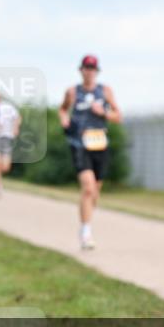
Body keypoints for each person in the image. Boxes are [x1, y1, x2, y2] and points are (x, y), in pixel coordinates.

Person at [58, 55, 122, 250]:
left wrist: (103, 112)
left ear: (97, 71)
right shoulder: (72, 92)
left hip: (100, 144)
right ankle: (86, 231)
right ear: (81, 70)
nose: (89, 71)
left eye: (93, 68)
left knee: (95, 192)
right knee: (88, 188)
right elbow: (62, 109)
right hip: (80, 144)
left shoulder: (105, 91)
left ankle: (87, 221)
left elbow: (118, 116)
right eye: (86, 67)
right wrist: (64, 119)